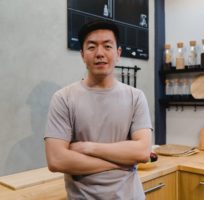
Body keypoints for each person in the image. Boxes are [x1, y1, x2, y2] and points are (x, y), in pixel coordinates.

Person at [44, 20, 153, 200]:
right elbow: (56, 160)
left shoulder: (136, 97)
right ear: (82, 55)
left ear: (118, 53)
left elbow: (142, 152)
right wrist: (118, 163)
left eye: (107, 46)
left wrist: (87, 147)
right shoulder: (63, 98)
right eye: (92, 47)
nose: (100, 53)